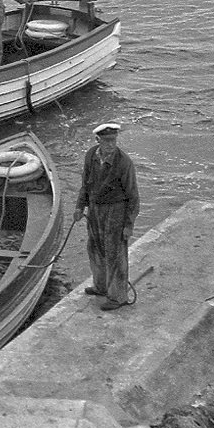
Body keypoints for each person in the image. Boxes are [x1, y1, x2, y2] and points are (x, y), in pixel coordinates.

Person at [73, 122, 140, 311]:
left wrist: (129, 225)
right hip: (95, 209)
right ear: (98, 140)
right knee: (95, 249)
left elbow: (133, 196)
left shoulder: (124, 162)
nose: (111, 145)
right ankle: (100, 286)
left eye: (113, 140)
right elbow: (85, 184)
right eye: (106, 141)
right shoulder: (90, 155)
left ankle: (118, 297)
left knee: (115, 254)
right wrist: (79, 206)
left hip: (115, 211)